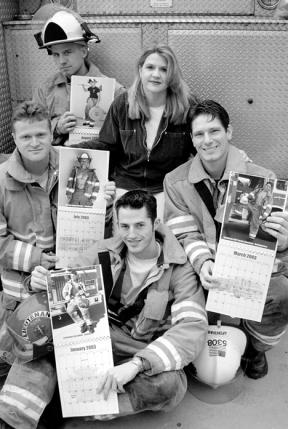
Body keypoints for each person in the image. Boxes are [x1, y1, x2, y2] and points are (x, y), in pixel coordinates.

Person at [31, 190, 207, 419]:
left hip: (138, 349)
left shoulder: (179, 268)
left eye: (140, 225)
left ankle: (81, 408)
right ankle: (22, 413)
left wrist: (137, 365)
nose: (131, 235)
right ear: (117, 225)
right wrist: (38, 282)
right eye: (124, 226)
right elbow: (63, 284)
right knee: (39, 327)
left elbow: (192, 327)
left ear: (156, 223)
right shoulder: (102, 251)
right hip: (96, 338)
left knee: (171, 385)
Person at [0, 101, 116, 429]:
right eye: (26, 137)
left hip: (72, 274)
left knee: (77, 340)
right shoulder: (1, 182)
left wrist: (103, 208)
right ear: (13, 138)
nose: (35, 142)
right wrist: (37, 260)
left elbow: (99, 234)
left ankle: (53, 399)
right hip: (23, 284)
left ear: (50, 132)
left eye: (40, 134)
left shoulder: (75, 165)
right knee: (31, 346)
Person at [164, 99, 288, 380]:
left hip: (246, 270)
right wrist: (203, 262)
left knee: (282, 293)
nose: (207, 140)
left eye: (214, 131)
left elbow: (273, 244)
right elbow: (184, 233)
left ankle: (256, 348)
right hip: (201, 271)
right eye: (199, 134)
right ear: (192, 139)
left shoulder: (261, 178)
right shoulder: (174, 181)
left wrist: (283, 241)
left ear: (228, 132)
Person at [74, 44, 197, 220]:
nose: (156, 74)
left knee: (159, 229)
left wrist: (231, 157)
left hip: (165, 185)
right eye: (150, 67)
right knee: (126, 231)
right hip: (127, 182)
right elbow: (107, 145)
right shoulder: (122, 104)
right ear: (140, 70)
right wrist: (67, 150)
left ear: (172, 74)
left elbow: (201, 145)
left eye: (164, 69)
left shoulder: (186, 106)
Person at [33, 5, 124, 146]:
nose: (61, 61)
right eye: (56, 55)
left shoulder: (114, 91)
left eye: (67, 52)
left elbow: (127, 135)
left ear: (83, 51)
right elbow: (31, 131)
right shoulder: (45, 90)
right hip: (56, 161)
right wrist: (57, 128)